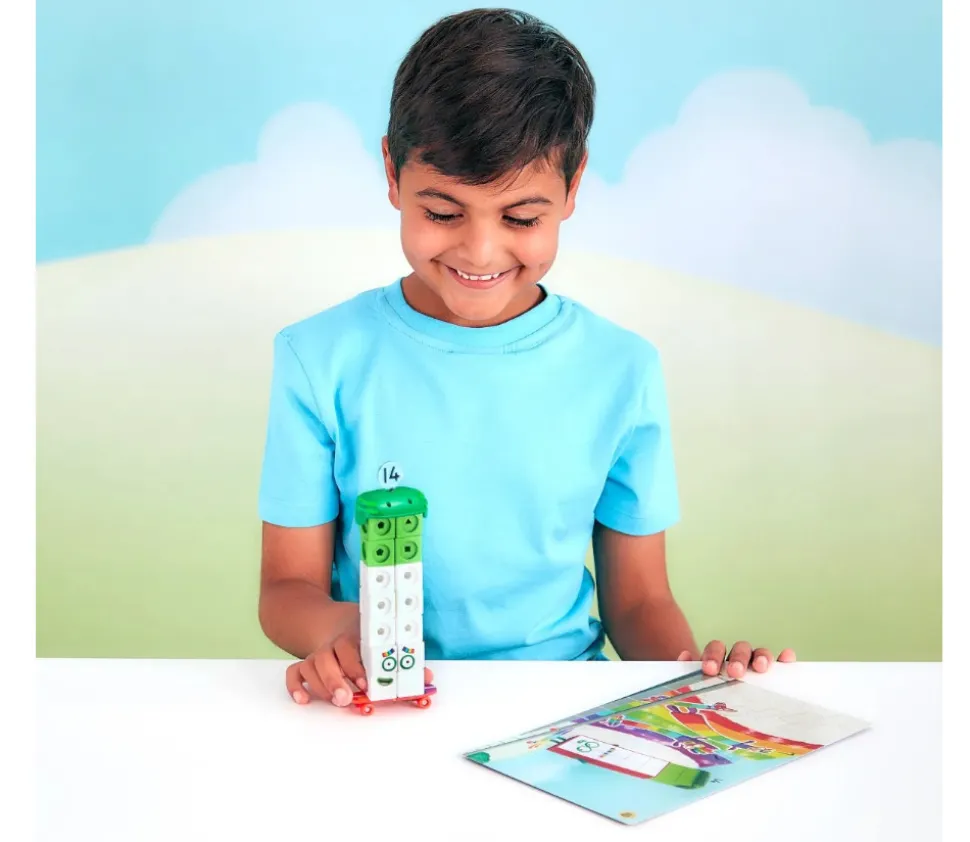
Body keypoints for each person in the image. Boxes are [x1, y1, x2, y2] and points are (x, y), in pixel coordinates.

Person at [257, 8, 795, 708]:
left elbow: (638, 602)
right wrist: (340, 632)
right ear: (391, 172)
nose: (480, 252)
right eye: (443, 212)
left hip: (561, 708)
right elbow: (285, 590)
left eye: (520, 218)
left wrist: (700, 677)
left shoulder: (622, 369)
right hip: (382, 705)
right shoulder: (318, 358)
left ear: (573, 187)